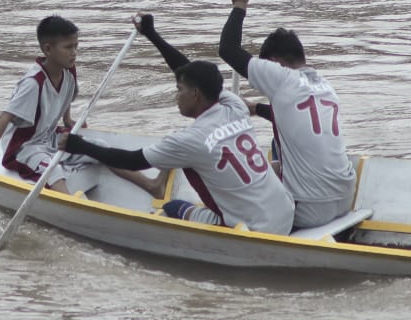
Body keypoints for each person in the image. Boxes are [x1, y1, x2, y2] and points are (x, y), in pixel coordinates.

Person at [59, 14, 295, 234]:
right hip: (285, 211)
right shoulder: (234, 107)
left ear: (195, 95)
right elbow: (189, 72)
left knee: (173, 208)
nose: (176, 96)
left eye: (178, 90)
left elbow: (130, 160)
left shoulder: (192, 139)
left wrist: (80, 145)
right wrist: (152, 34)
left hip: (257, 229)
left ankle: (171, 202)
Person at [0, 15, 162, 197]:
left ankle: (150, 186)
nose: (74, 52)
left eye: (76, 46)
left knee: (99, 147)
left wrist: (67, 119)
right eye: (68, 47)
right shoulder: (33, 83)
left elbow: (66, 95)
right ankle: (73, 208)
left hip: (50, 138)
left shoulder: (68, 70)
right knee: (52, 170)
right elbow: (4, 118)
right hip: (25, 148)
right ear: (48, 49)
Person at [217, 0, 356, 229]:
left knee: (235, 190)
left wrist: (240, 5)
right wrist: (255, 108)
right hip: (345, 199)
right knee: (277, 142)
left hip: (308, 209)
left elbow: (228, 50)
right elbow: (296, 119)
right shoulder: (324, 85)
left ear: (275, 62)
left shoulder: (281, 76)